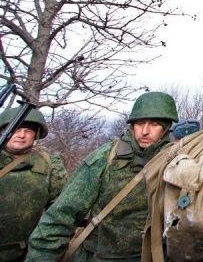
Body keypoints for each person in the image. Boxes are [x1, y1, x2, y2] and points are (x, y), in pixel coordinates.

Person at [25, 91, 178, 262]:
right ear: (132, 125)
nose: (144, 131)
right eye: (140, 123)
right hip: (97, 256)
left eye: (155, 124)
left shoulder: (177, 162)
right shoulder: (106, 158)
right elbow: (61, 215)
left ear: (165, 128)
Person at [0, 108, 68, 262]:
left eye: (28, 131)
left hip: (24, 252)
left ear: (36, 135)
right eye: (16, 129)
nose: (21, 135)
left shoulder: (49, 164)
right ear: (3, 130)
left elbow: (61, 209)